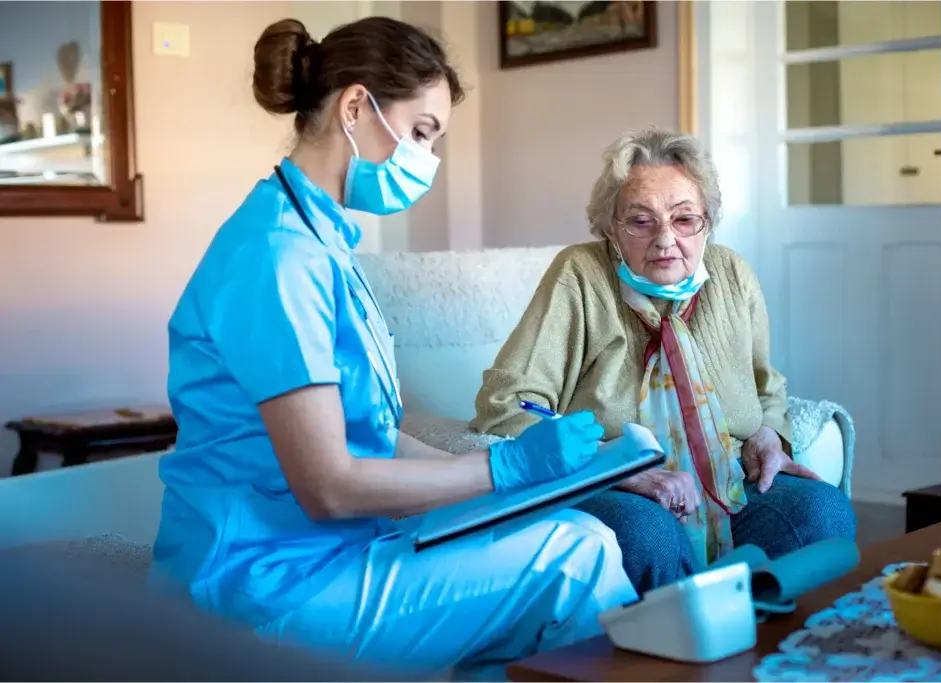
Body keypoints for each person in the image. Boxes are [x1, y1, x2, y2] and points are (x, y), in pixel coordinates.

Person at [149, 16, 637, 681]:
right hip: (259, 586)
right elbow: (327, 485)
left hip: (336, 551)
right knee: (572, 560)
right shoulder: (276, 258)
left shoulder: (325, 245)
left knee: (577, 532)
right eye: (420, 132)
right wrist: (502, 472)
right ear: (356, 107)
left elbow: (375, 435)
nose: (426, 160)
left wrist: (510, 474)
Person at [471, 127, 857, 595]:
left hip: (725, 476)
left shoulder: (732, 274)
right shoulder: (580, 274)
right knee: (647, 535)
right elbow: (506, 404)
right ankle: (680, 657)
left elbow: (765, 385)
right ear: (611, 228)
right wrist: (618, 468)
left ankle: (775, 653)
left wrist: (768, 436)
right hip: (614, 481)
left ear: (707, 223)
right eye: (640, 221)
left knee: (823, 511)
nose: (665, 240)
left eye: (684, 219)